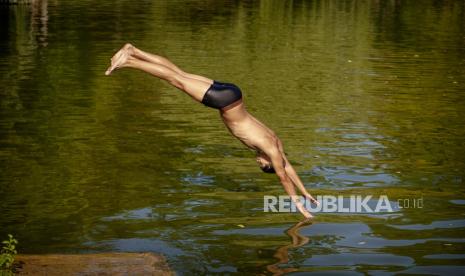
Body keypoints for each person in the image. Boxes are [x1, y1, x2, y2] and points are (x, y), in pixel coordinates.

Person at [105, 44, 319, 218]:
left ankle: (134, 51)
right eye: (262, 165)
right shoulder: (271, 150)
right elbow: (284, 176)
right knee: (176, 80)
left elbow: (288, 167)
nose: (258, 162)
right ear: (270, 161)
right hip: (224, 102)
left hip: (234, 93)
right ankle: (130, 62)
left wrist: (307, 192)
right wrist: (299, 205)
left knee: (180, 73)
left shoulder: (276, 143)